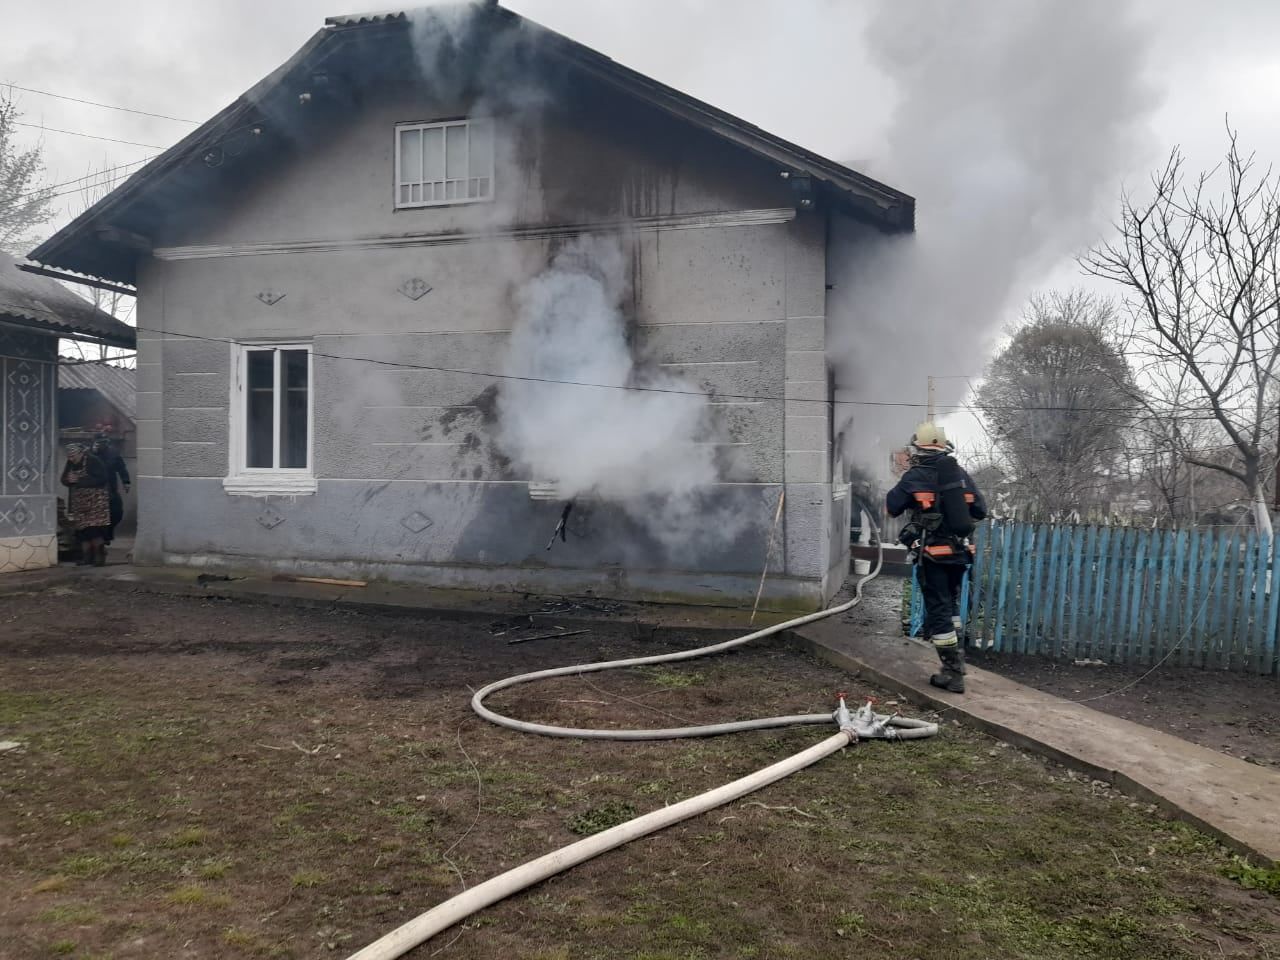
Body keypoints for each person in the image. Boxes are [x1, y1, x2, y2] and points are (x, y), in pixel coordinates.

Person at [886, 423, 988, 693]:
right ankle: (958, 660)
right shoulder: (961, 474)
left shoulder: (915, 476)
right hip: (959, 554)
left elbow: (891, 506)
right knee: (951, 605)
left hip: (932, 556)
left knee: (939, 611)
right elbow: (980, 510)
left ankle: (953, 673)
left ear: (917, 448)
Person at [61, 442, 111, 566]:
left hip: (95, 502)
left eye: (73, 456)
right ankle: (86, 558)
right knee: (82, 531)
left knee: (94, 530)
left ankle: (99, 558)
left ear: (81, 453)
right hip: (79, 502)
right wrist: (68, 480)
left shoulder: (94, 461)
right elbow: (63, 479)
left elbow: (102, 479)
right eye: (69, 457)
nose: (71, 459)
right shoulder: (71, 464)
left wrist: (80, 480)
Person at [92, 434, 131, 548]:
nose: (101, 445)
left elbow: (121, 468)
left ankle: (108, 533)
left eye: (104, 442)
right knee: (98, 516)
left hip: (111, 488)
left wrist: (126, 481)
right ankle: (101, 538)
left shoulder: (113, 454)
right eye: (99, 443)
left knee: (116, 512)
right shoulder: (90, 454)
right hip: (95, 489)